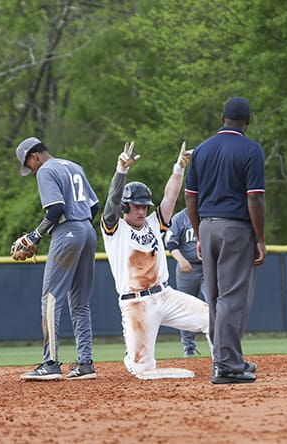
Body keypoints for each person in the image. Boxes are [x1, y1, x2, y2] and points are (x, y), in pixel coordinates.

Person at [101, 140, 210, 377]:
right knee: (143, 371)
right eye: (137, 206)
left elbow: (170, 197)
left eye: (145, 207)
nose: (142, 211)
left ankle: (226, 364)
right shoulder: (114, 229)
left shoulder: (152, 223)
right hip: (136, 304)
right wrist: (121, 170)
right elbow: (111, 201)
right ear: (126, 207)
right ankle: (134, 358)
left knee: (212, 318)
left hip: (165, 295)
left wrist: (179, 168)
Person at [184, 96, 266, 384]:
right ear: (248, 122)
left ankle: (227, 358)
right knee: (233, 298)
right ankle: (227, 365)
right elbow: (255, 197)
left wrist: (197, 232)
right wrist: (260, 238)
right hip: (235, 229)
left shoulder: (203, 150)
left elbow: (190, 197)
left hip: (207, 226)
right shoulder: (251, 150)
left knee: (217, 298)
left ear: (222, 119)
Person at [11, 136, 100, 381]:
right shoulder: (74, 166)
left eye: (30, 164)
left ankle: (50, 363)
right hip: (88, 232)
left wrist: (34, 236)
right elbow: (94, 207)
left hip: (68, 231)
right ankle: (85, 363)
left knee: (50, 299)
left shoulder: (46, 170)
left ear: (34, 156)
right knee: (80, 303)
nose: (32, 169)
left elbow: (56, 209)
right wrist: (81, 228)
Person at [164, 208, 207, 357]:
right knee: (185, 309)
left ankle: (218, 345)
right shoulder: (180, 218)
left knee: (213, 304)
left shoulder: (209, 215)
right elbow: (171, 242)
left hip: (208, 268)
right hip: (186, 268)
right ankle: (188, 347)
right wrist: (181, 259)